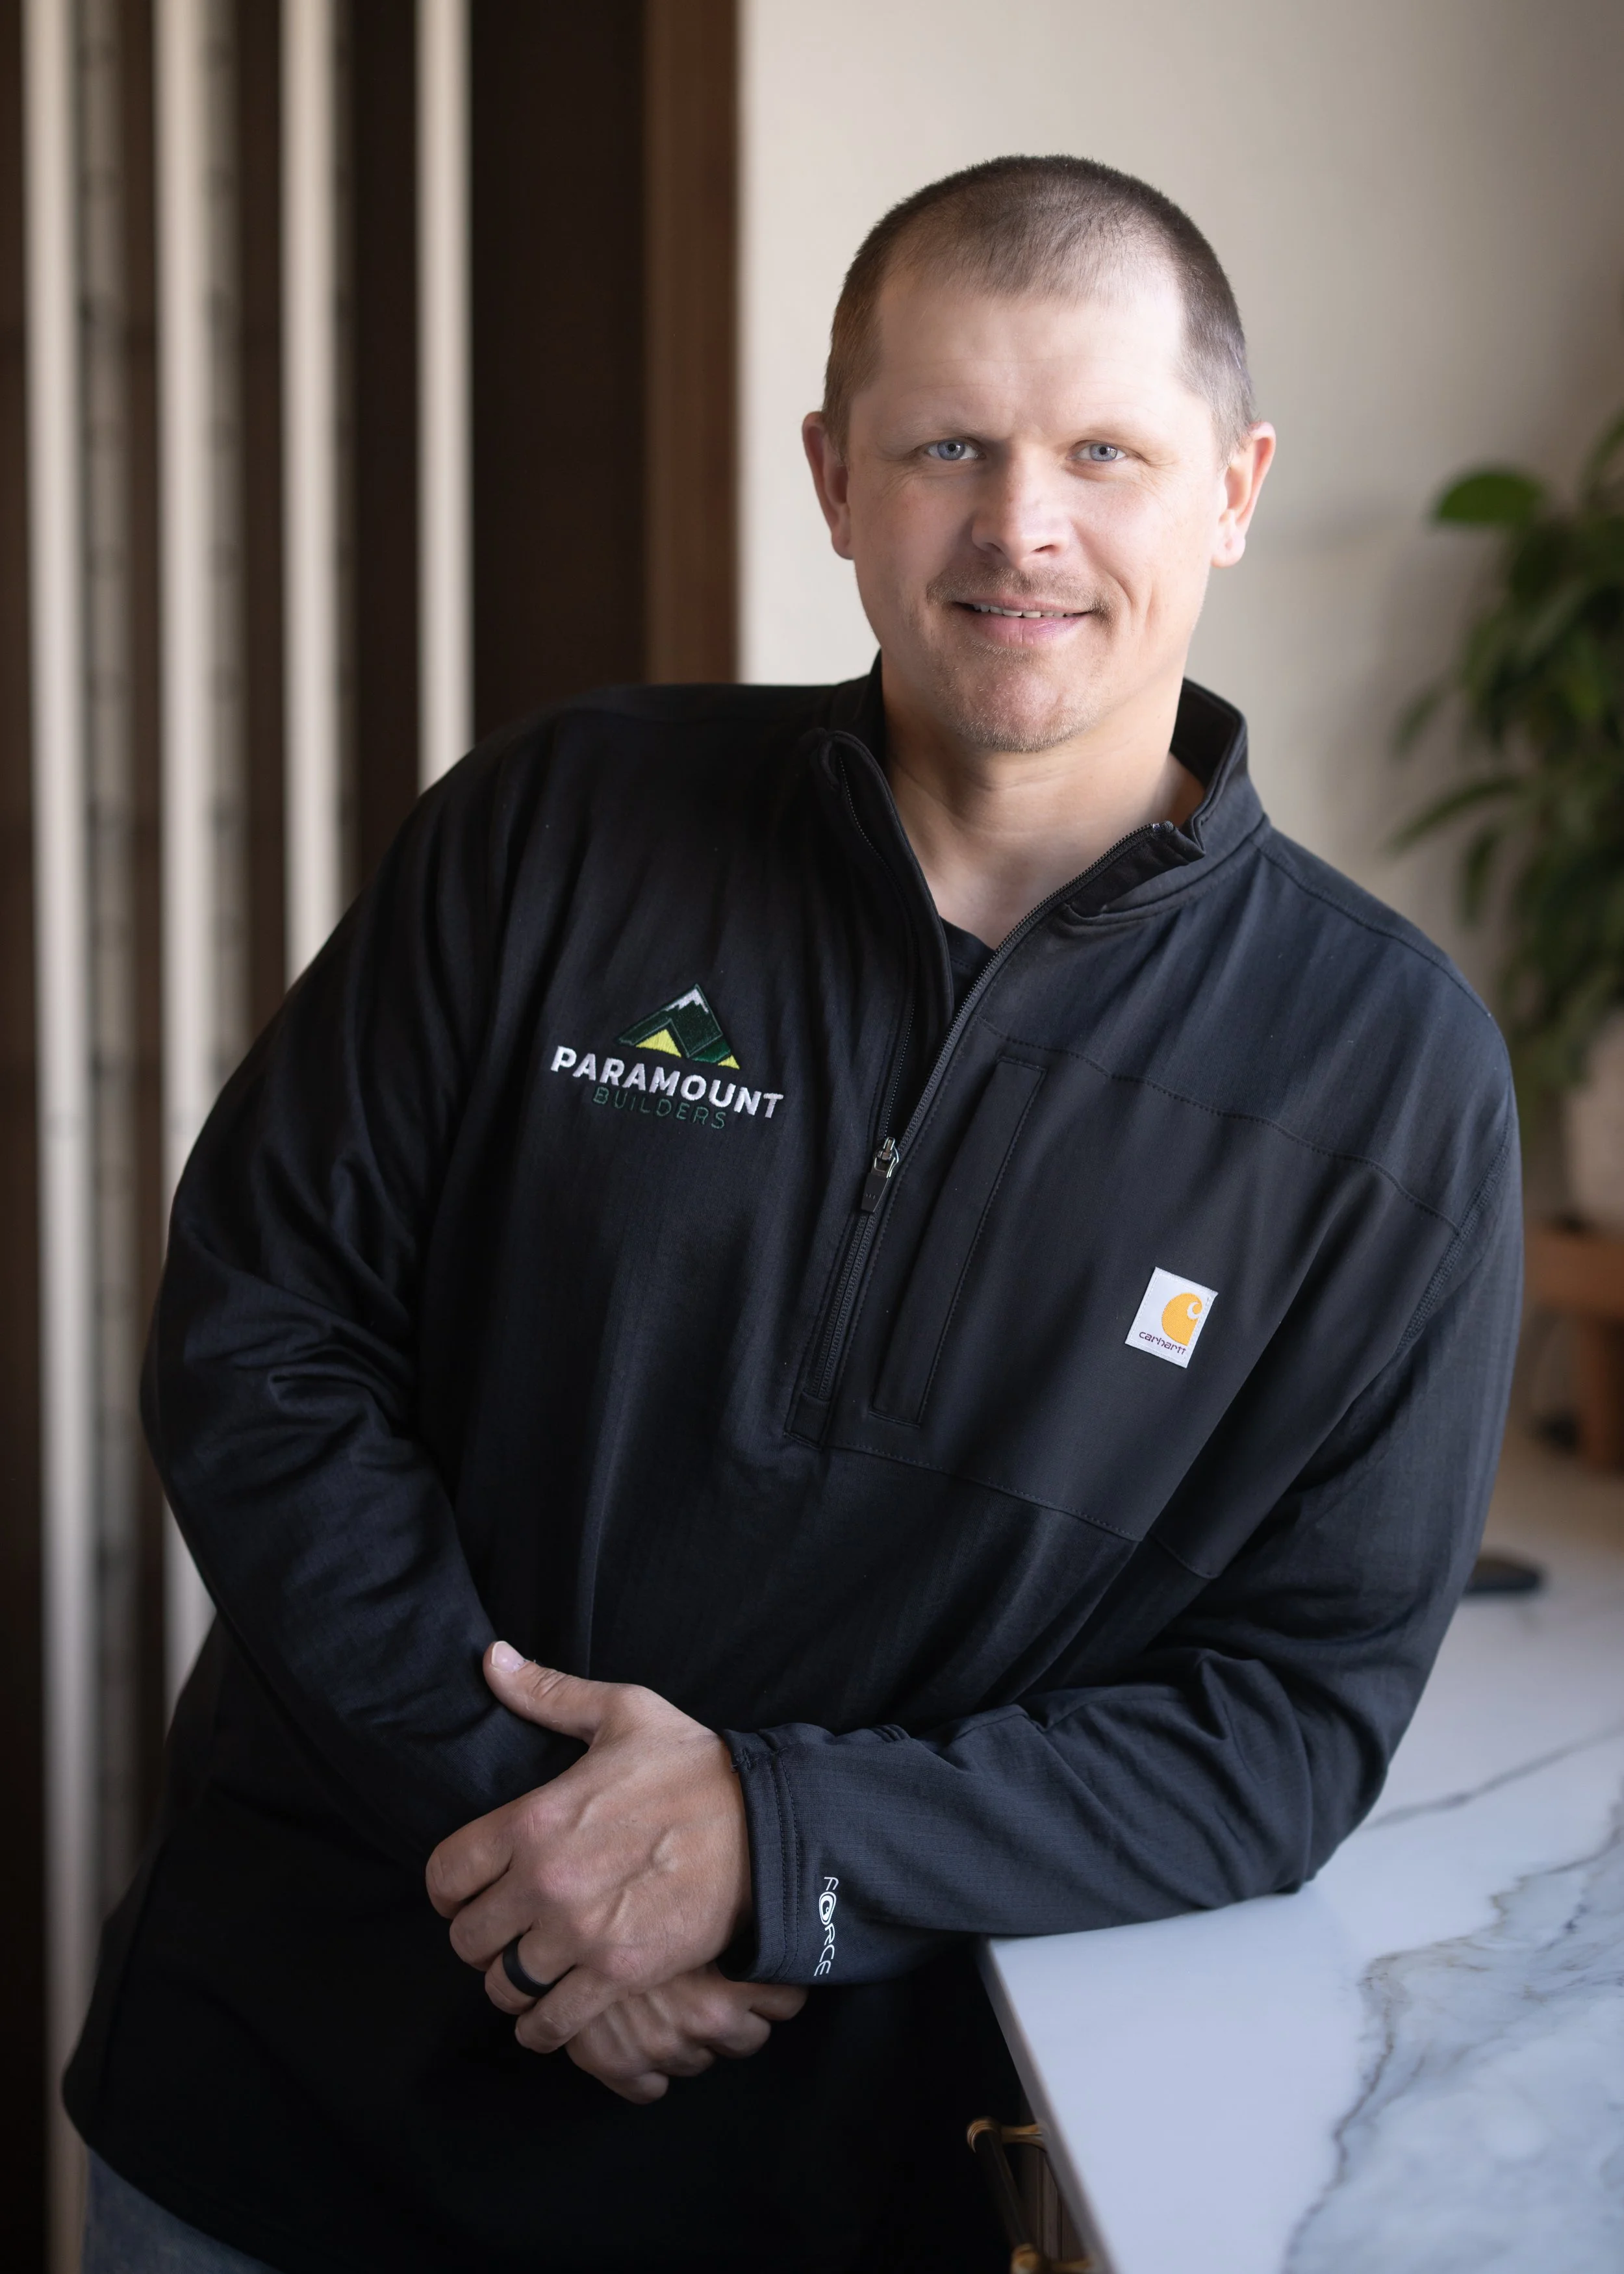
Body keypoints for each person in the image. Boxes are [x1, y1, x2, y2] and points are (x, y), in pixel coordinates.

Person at [68, 155, 1521, 2273]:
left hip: (836, 2183)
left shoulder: (1387, 1077)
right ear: (835, 477)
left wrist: (770, 1841)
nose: (1019, 527)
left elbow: (1287, 1721)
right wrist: (539, 1841)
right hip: (284, 2110)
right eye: (946, 447)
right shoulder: (557, 824)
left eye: (1103, 454)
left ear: (1231, 487)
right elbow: (260, 1333)